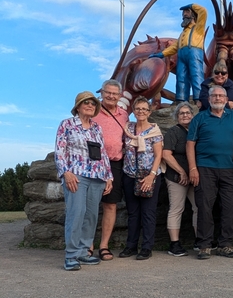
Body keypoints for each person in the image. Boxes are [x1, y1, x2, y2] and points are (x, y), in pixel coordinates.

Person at [55, 91, 113, 271]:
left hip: (97, 176)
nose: (90, 105)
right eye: (85, 103)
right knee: (76, 213)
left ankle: (83, 250)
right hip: (76, 176)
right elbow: (59, 151)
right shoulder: (67, 125)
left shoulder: (97, 128)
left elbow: (103, 153)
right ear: (78, 107)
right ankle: (71, 255)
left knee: (91, 215)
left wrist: (109, 176)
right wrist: (66, 172)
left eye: (93, 103)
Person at [186, 85, 233, 260]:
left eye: (220, 96)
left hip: (229, 168)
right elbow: (190, 144)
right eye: (214, 96)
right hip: (204, 167)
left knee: (230, 207)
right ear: (208, 99)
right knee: (205, 207)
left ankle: (226, 244)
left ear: (226, 99)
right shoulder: (199, 118)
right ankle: (204, 245)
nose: (217, 98)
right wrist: (193, 168)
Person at [121, 97, 163, 261]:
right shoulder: (128, 129)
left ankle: (146, 247)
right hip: (130, 174)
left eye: (144, 109)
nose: (141, 112)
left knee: (148, 212)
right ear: (134, 110)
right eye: (138, 109)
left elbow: (159, 154)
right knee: (133, 213)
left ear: (149, 112)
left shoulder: (154, 131)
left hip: (149, 175)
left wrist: (151, 176)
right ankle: (131, 246)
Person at [94, 79, 128, 260]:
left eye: (115, 93)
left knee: (110, 204)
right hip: (93, 163)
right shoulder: (92, 110)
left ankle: (104, 245)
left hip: (114, 164)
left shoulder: (124, 115)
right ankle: (87, 244)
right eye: (108, 92)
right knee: (89, 206)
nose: (111, 96)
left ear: (120, 95)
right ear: (102, 92)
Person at [149, 3, 207, 104]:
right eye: (183, 13)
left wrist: (192, 5)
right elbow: (175, 47)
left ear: (193, 15)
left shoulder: (198, 28)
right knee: (181, 76)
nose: (184, 14)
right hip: (182, 55)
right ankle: (181, 99)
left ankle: (199, 98)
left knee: (196, 74)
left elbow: (203, 11)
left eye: (187, 12)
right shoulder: (183, 33)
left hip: (194, 53)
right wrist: (162, 54)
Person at [162, 102, 199, 257]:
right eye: (181, 113)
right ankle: (174, 244)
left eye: (187, 113)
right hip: (177, 177)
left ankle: (200, 240)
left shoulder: (195, 132)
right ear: (177, 117)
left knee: (199, 207)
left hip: (194, 176)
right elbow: (166, 154)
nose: (185, 115)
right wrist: (182, 172)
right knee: (177, 208)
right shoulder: (173, 132)